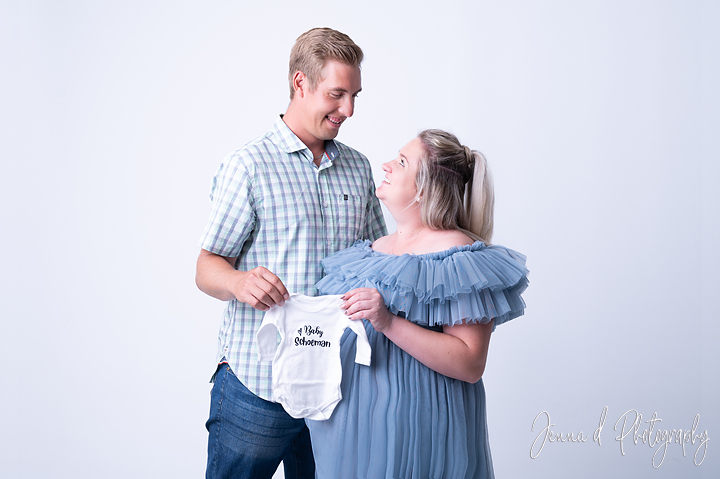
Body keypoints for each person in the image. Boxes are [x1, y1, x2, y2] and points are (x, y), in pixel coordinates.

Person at [195, 27, 387, 479]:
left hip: (336, 390)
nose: (349, 110)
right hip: (255, 388)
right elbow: (206, 267)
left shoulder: (358, 167)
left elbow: (378, 259)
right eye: (337, 94)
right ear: (300, 84)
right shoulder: (249, 165)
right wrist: (239, 281)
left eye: (356, 96)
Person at [306, 129, 529, 478]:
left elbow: (470, 363)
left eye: (401, 162)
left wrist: (388, 321)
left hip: (420, 433)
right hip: (355, 433)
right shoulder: (369, 251)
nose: (386, 165)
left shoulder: (458, 257)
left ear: (425, 188)